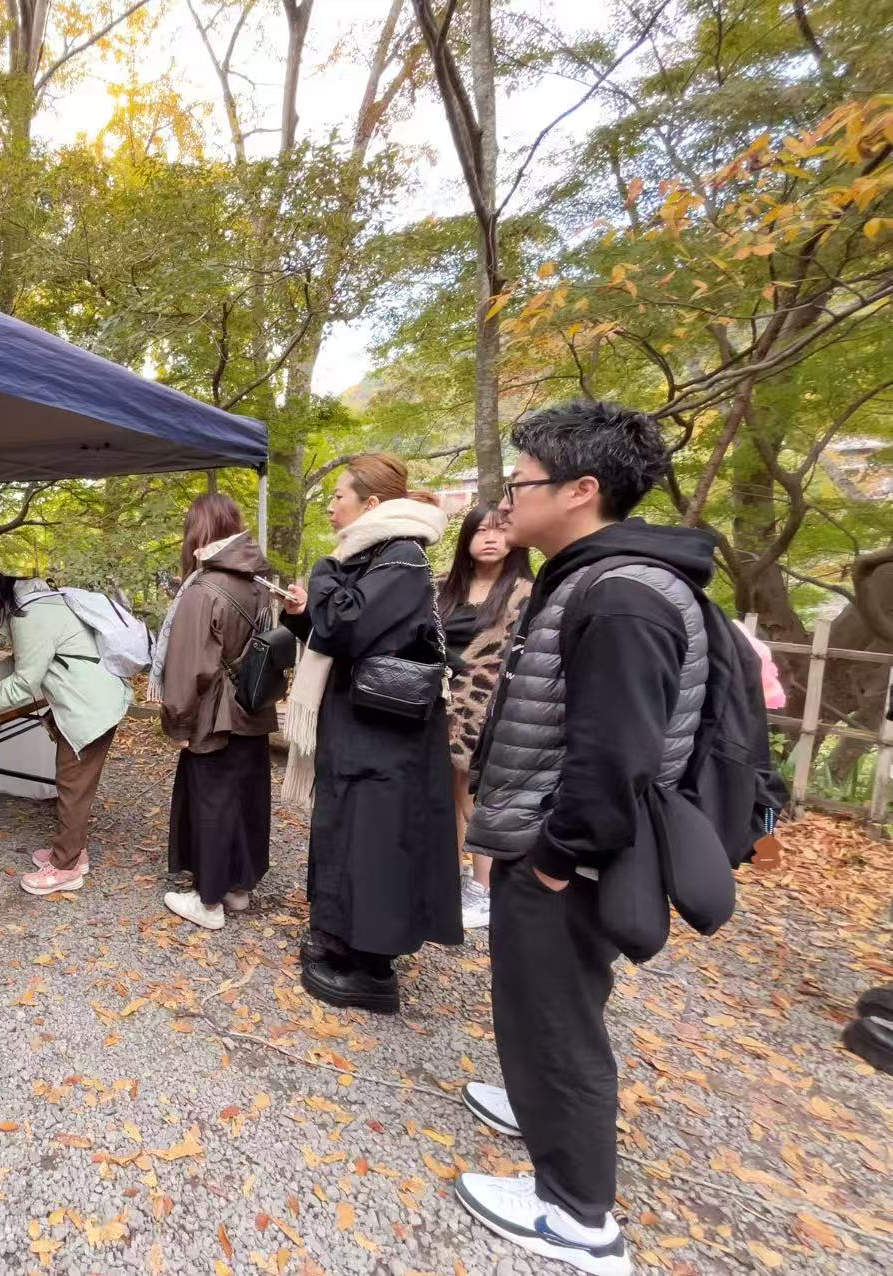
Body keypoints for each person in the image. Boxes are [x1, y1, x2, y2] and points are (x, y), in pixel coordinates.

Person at [454, 400, 705, 1276]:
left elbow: (618, 756)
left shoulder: (623, 595)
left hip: (568, 853)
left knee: (560, 1017)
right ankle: (536, 1106)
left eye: (522, 483)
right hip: (546, 837)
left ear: (581, 489)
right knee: (545, 1001)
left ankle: (576, 1215)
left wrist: (558, 857)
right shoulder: (594, 579)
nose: (508, 501)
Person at [278, 454, 461, 1014]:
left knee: (374, 843)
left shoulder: (402, 556)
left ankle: (371, 970)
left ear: (372, 503)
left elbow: (345, 626)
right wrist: (303, 615)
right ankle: (340, 940)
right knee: (351, 835)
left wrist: (322, 573)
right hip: (366, 728)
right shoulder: (380, 556)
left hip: (384, 736)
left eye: (339, 495)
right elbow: (343, 630)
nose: (331, 505)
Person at [0, 562, 131, 897]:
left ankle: (66, 867)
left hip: (89, 706)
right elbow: (30, 658)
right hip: (90, 698)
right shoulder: (32, 601)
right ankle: (73, 850)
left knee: (73, 785)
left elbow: (25, 682)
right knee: (74, 783)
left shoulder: (29, 615)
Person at [151, 493, 276, 930]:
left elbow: (188, 669)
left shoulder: (202, 591)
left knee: (211, 803)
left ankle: (207, 902)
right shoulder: (258, 585)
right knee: (244, 800)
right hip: (252, 708)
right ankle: (237, 889)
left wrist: (178, 723)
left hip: (214, 717)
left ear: (198, 532)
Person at [437, 505, 533, 929]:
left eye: (499, 530)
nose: (490, 538)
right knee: (447, 793)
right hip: (440, 706)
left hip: (489, 709)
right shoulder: (443, 588)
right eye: (480, 531)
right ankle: (451, 875)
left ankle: (484, 888)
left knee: (475, 796)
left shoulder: (527, 594)